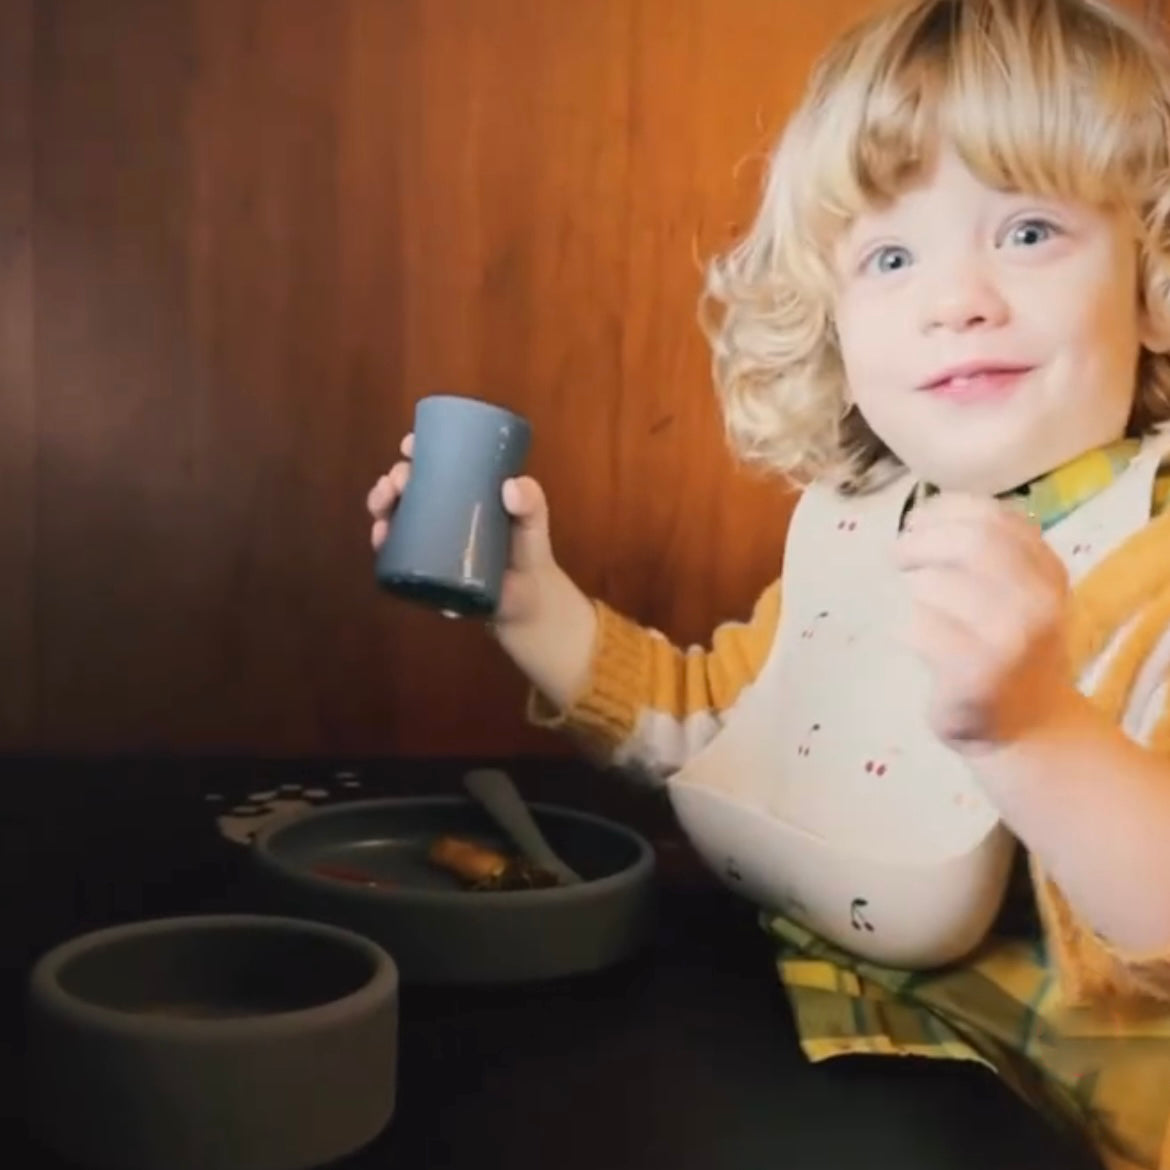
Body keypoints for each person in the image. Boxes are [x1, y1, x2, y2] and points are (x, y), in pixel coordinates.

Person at [367, 0, 1170, 1164]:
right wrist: (530, 603)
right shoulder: (860, 529)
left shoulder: (1147, 563)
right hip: (849, 1066)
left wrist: (1036, 730)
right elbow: (711, 725)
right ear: (838, 325)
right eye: (892, 256)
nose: (958, 300)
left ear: (1152, 281)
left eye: (1030, 232)